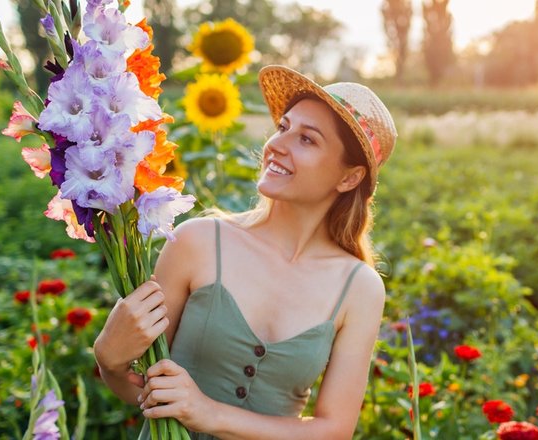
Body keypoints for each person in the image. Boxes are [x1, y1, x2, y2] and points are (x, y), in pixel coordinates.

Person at [93, 65, 398, 439]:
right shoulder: (197, 241)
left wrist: (208, 413)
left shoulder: (359, 287)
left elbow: (334, 430)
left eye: (307, 140)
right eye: (284, 128)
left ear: (348, 177)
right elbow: (146, 389)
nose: (277, 145)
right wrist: (110, 362)